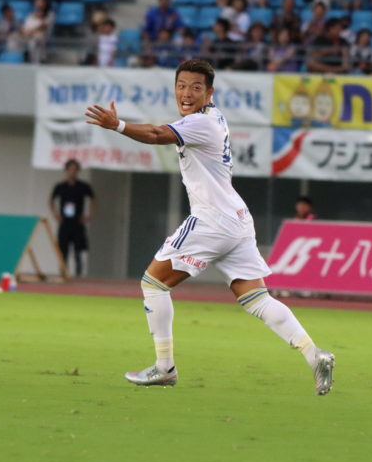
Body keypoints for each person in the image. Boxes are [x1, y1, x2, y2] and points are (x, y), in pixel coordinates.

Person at [84, 59, 335, 394]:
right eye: (181, 86)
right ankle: (314, 354)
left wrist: (117, 125)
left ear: (209, 92)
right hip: (237, 220)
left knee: (153, 284)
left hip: (212, 219)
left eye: (196, 87)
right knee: (257, 299)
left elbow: (157, 134)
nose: (186, 93)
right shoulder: (213, 117)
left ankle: (164, 367)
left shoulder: (201, 123)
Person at [49, 159, 96, 277]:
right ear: (66, 171)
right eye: (70, 169)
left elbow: (94, 200)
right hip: (65, 222)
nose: (72, 172)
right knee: (63, 251)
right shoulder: (60, 186)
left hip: (77, 222)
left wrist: (89, 215)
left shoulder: (83, 186)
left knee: (78, 252)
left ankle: (78, 276)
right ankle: (63, 274)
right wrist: (55, 214)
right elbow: (51, 200)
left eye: (75, 170)